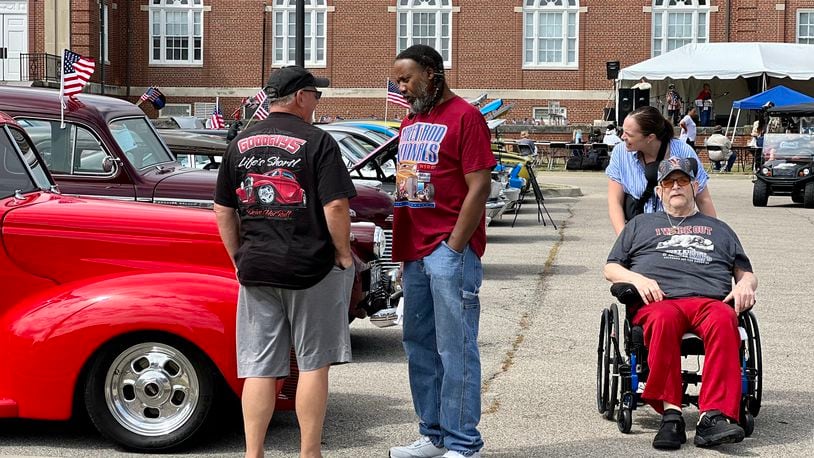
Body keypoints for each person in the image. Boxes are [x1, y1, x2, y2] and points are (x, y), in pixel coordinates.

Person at [213, 65, 356, 458]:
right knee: (313, 363)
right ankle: (309, 452)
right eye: (316, 95)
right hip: (311, 267)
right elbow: (337, 205)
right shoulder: (318, 141)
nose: (317, 103)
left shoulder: (239, 142)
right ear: (299, 96)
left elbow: (223, 209)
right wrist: (344, 255)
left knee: (259, 367)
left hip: (256, 267)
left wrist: (239, 257)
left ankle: (253, 453)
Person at [604, 156, 757, 450]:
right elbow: (611, 268)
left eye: (683, 181)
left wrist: (746, 285)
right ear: (660, 191)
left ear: (694, 186)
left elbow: (745, 271)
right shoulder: (639, 225)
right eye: (669, 182)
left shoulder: (719, 229)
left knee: (726, 319)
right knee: (663, 320)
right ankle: (671, 415)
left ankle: (713, 416)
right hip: (660, 301)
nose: (676, 187)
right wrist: (638, 280)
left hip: (708, 301)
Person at [388, 44, 495, 458]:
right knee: (419, 346)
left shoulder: (465, 117)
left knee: (456, 348)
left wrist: (454, 246)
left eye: (406, 78)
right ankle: (433, 436)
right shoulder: (412, 119)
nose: (401, 87)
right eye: (397, 80)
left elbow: (479, 186)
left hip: (449, 250)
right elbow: (408, 187)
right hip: (414, 251)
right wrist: (402, 252)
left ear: (432, 73)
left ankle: (464, 444)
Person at [606, 105, 716, 235]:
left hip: (677, 233)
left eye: (628, 134)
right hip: (639, 234)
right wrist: (624, 239)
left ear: (650, 138)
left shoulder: (683, 151)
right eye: (622, 131)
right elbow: (614, 201)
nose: (623, 137)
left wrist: (714, 236)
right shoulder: (620, 153)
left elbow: (703, 200)